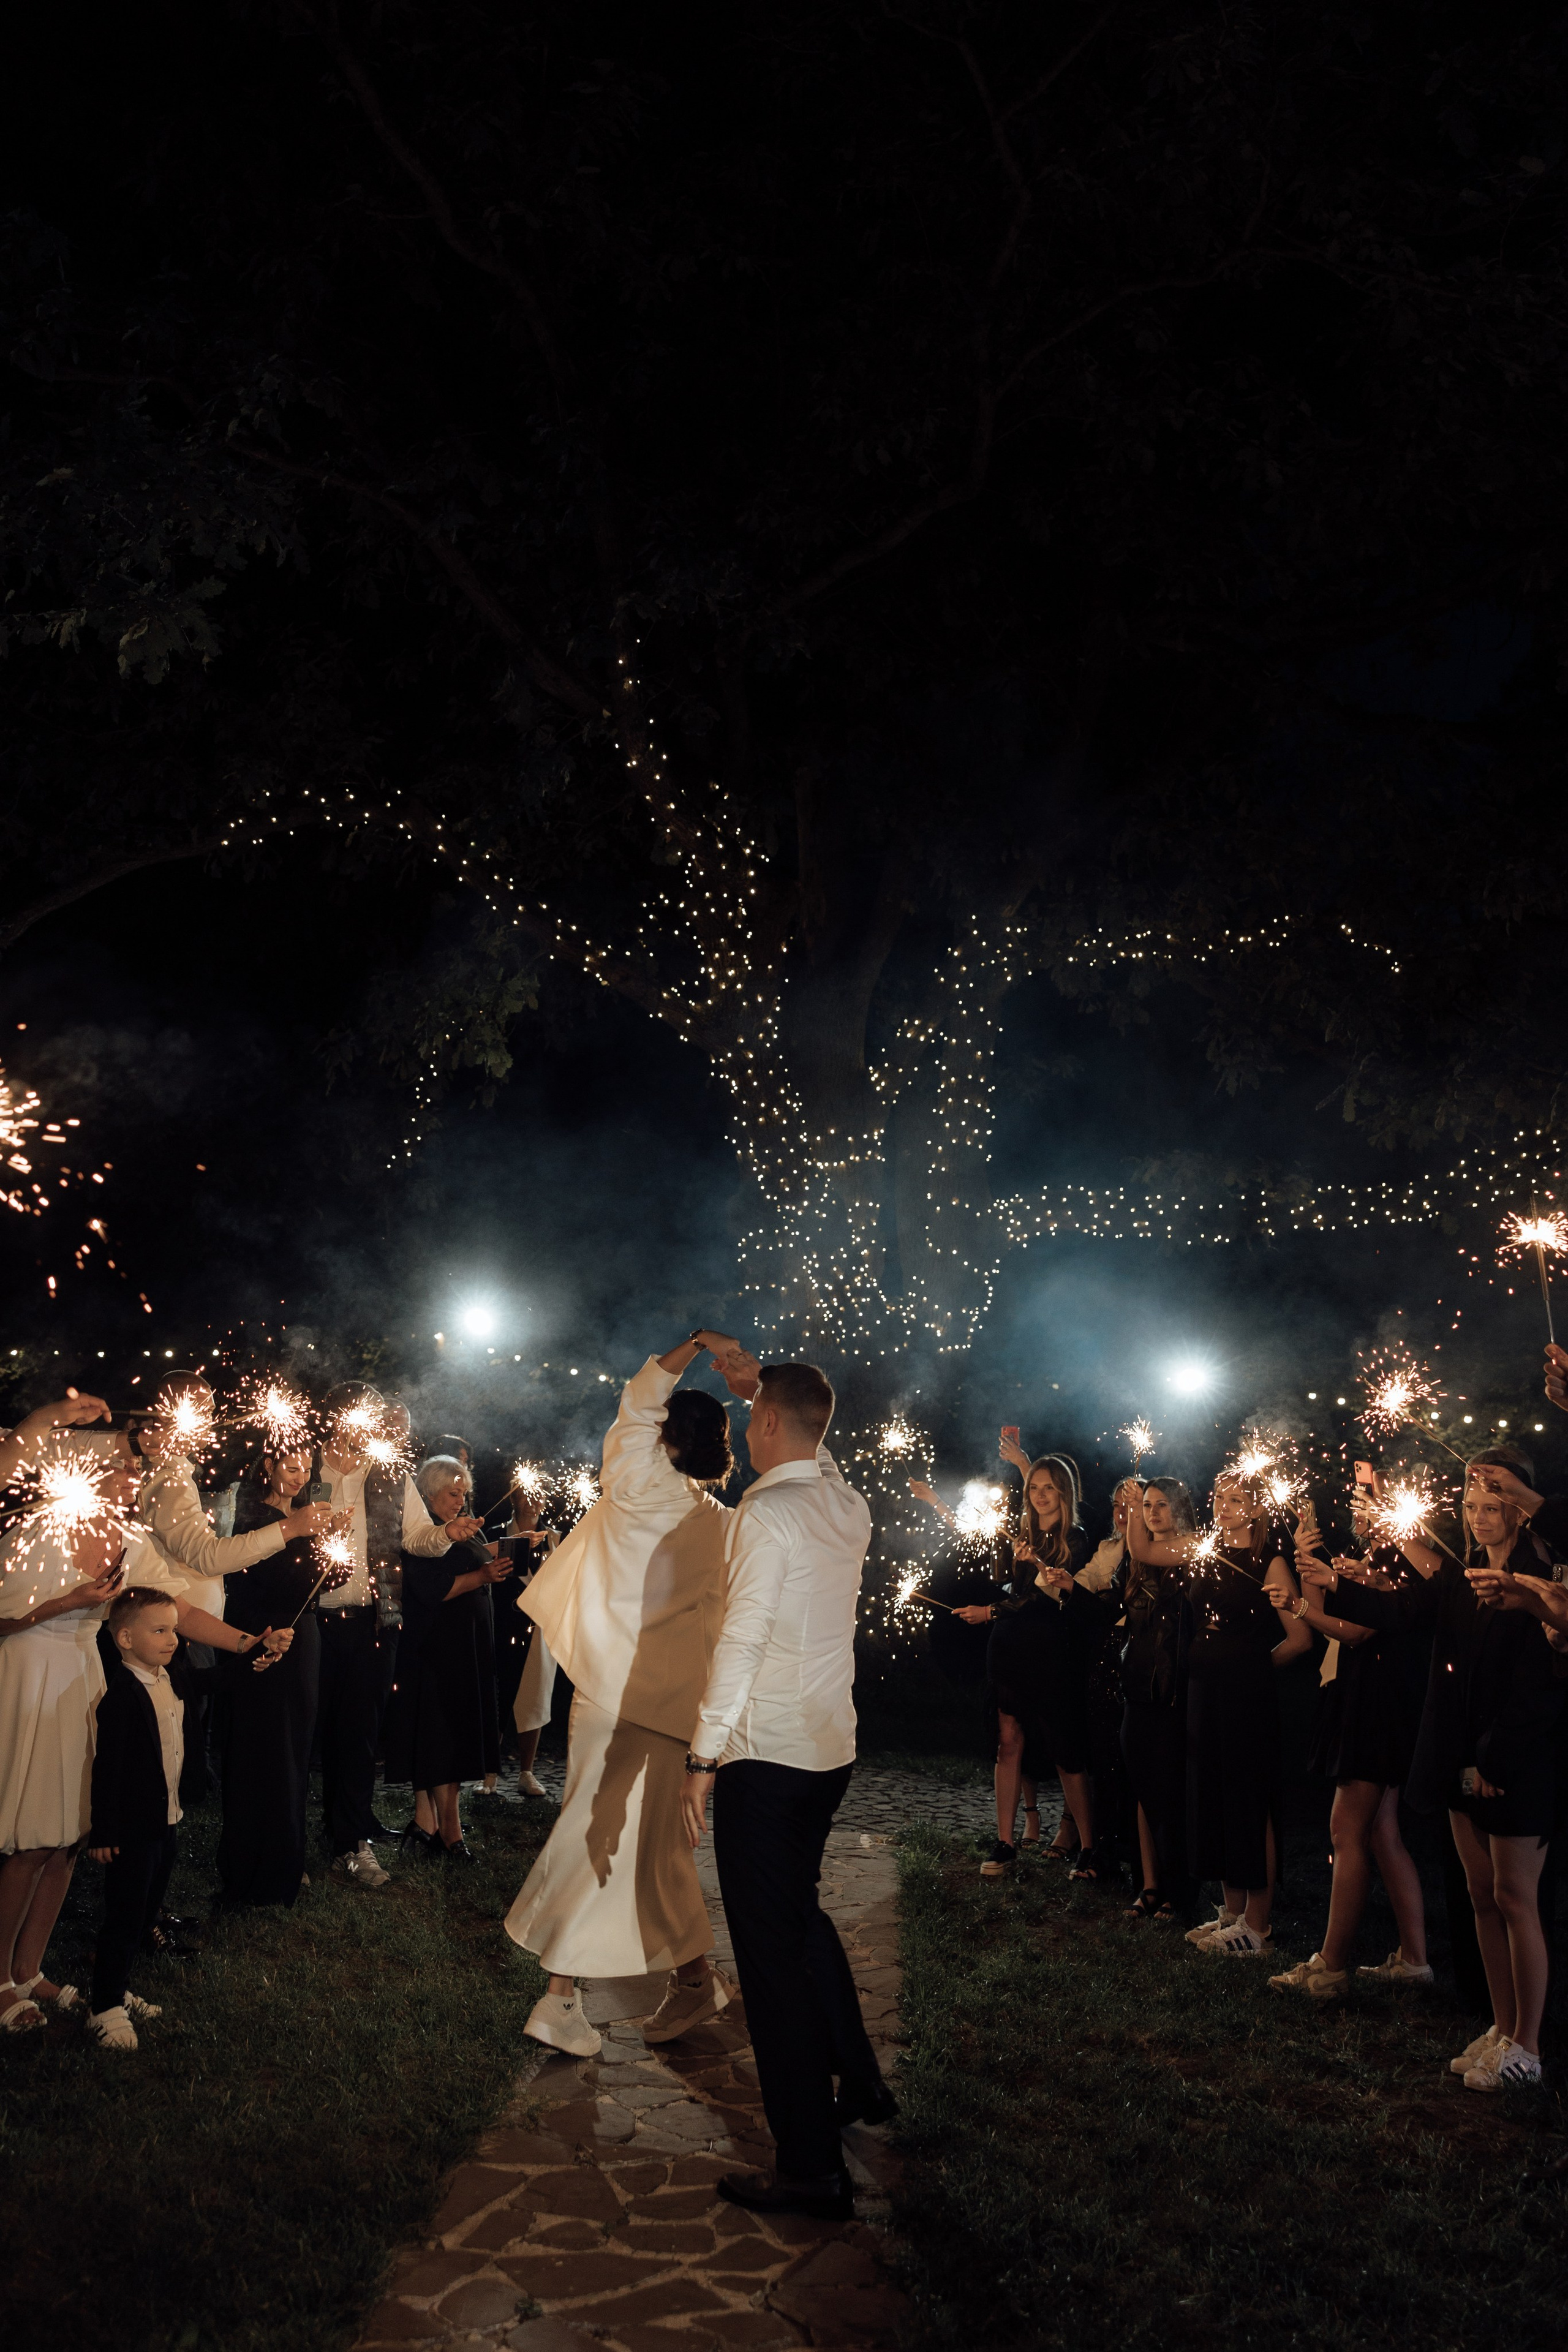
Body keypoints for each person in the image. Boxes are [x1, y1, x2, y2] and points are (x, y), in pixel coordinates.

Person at [682, 1349, 889, 2225]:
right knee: (798, 1918)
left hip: (765, 1758)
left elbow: (742, 1640)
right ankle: (860, 2082)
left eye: (751, 1415)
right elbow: (821, 1450)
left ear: (767, 1424)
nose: (742, 1429)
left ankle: (808, 2167)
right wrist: (773, 1395)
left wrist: (703, 1756)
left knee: (770, 1961)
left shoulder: (762, 1519)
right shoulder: (849, 1504)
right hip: (829, 1749)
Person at [1302, 1449, 1565, 2089]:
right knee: (1480, 1895)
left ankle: (1528, 2044)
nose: (1478, 1518)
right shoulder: (1464, 1572)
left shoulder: (1543, 1579)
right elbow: (1401, 1614)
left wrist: (1495, 1755)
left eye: (1492, 1505)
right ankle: (1500, 2028)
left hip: (1515, 1759)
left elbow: (1541, 1682)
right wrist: (1329, 1583)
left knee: (1514, 1896)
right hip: (1461, 1759)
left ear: (1519, 1509)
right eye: (1470, 1507)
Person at [505, 1336, 737, 2056]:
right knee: (650, 1849)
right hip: (673, 1710)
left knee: (607, 1837)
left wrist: (697, 1344)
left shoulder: (634, 1478)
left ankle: (561, 1997)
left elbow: (637, 1399)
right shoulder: (724, 1527)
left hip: (610, 1692)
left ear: (667, 1436)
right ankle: (691, 1983)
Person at [1129, 1470, 1312, 1954]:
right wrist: (1132, 1506)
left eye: (1235, 1499)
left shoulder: (1268, 1562)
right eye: (1217, 1497)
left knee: (1248, 1803)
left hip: (1244, 1701)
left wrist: (1251, 1667)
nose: (1222, 1506)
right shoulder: (1204, 1550)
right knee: (1212, 1798)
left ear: (1255, 1508)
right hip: (1202, 1695)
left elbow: (1300, 1638)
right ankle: (1231, 1912)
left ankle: (1259, 1924)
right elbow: (1144, 1552)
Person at [1262, 1503, 1435, 2003]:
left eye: (1369, 1510)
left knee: (1346, 1828)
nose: (1359, 1517)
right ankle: (1415, 1960)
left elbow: (1354, 1630)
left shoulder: (1400, 1565)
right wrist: (1307, 1559)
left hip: (1376, 1705)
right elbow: (1331, 1612)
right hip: (1365, 1697)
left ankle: (1332, 1965)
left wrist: (1297, 1609)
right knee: (1383, 1832)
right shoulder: (1374, 1558)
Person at [315, 1383, 480, 1887]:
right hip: (312, 1620)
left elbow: (415, 1537)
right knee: (309, 1734)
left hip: (374, 1620)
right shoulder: (306, 1469)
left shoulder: (390, 1472)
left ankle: (352, 1841)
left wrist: (444, 1535)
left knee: (360, 1735)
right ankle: (292, 1839)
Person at [0, 1432, 124, 2032]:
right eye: (123, 1470)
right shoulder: (39, 1531)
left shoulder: (125, 1533)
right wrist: (67, 1601)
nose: (133, 1480)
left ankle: (30, 1969)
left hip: (83, 1673)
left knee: (69, 1834)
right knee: (32, 1836)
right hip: (32, 1670)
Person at [954, 1455, 1098, 1880]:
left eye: (1049, 1487)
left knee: (1064, 1749)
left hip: (1049, 1651)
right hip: (1009, 1649)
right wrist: (1010, 1563)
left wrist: (991, 1612)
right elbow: (1010, 1583)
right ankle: (1006, 1841)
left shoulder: (1077, 1538)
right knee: (1008, 1742)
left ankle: (1089, 1846)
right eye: (1034, 1487)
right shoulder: (1023, 1533)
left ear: (1064, 1492)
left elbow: (1042, 1595)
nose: (1040, 1495)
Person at [384, 1455, 507, 1860]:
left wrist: (505, 1550)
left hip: (463, 1647)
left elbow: (467, 1554)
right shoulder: (422, 1533)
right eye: (453, 1494)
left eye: (464, 1494)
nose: (460, 1502)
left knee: (451, 1735)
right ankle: (443, 1828)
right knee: (439, 1738)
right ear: (430, 1493)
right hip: (436, 1649)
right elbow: (432, 1588)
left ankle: (431, 1822)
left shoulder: (459, 1526)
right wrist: (481, 1578)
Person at [216, 1450, 325, 1907]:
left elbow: (328, 1580)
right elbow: (258, 1583)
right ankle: (252, 1870)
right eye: (291, 1468)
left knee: (293, 1751)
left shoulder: (303, 1515)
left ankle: (287, 1859)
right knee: (259, 1751)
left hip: (302, 1640)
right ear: (267, 1466)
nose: (301, 1478)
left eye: (307, 1469)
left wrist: (331, 1547)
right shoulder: (250, 1518)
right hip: (260, 1635)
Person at [85, 1587, 189, 2050]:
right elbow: (106, 1770)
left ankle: (119, 1986)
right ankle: (104, 2005)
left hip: (165, 1823)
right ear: (125, 1638)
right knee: (125, 1917)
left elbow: (218, 1683)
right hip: (131, 1830)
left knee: (146, 1912)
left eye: (174, 1630)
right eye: (160, 1630)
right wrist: (105, 1830)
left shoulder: (168, 1678)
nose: (173, 1640)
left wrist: (259, 1658)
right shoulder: (122, 1697)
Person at [1118, 1476, 1198, 1920]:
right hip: (1137, 1685)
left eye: (1162, 1505)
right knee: (1142, 1789)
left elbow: (1143, 1550)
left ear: (1180, 1510)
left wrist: (1129, 1514)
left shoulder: (1192, 1547)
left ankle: (1177, 1889)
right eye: (1146, 1505)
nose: (1152, 1512)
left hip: (1173, 1690)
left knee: (1169, 1793)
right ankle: (1148, 1884)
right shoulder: (1138, 1558)